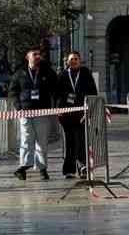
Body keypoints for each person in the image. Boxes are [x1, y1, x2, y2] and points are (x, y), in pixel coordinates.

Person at [10, 46, 58, 181]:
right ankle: (24, 167)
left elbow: (55, 87)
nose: (37, 56)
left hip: (42, 111)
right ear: (27, 57)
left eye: (39, 54)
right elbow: (13, 91)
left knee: (41, 141)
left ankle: (42, 169)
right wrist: (18, 107)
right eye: (34, 54)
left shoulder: (46, 71)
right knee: (26, 140)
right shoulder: (20, 73)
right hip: (25, 112)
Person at [55, 51, 98, 180]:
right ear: (68, 62)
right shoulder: (63, 75)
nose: (73, 61)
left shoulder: (85, 74)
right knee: (69, 142)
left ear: (80, 60)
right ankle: (69, 169)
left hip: (81, 114)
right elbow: (58, 94)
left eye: (76, 59)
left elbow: (93, 92)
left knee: (81, 140)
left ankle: (83, 167)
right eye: (71, 59)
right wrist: (58, 109)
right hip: (67, 115)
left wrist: (90, 109)